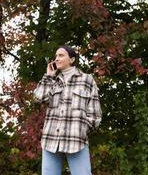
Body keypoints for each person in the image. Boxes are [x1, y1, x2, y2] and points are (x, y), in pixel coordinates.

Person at [34, 45, 102, 175]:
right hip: (51, 140)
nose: (56, 59)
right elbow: (39, 98)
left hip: (76, 140)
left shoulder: (87, 80)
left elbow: (95, 114)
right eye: (56, 56)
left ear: (72, 59)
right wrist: (48, 76)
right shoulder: (53, 81)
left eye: (61, 55)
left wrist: (81, 129)